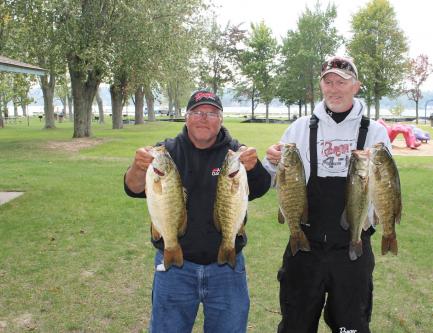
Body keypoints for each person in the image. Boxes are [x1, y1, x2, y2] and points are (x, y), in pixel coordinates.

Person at [124, 90, 271, 333]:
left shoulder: (235, 152)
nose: (204, 118)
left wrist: (253, 168)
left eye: (212, 113)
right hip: (175, 272)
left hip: (227, 270)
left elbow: (261, 187)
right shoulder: (166, 152)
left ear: (221, 119)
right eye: (197, 112)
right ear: (186, 117)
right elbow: (133, 188)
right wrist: (138, 168)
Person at [263, 55, 392, 333]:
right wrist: (271, 159)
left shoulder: (375, 132)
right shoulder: (299, 128)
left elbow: (385, 186)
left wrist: (378, 167)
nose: (334, 88)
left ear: (356, 86)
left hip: (352, 249)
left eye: (341, 82)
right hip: (305, 249)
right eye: (328, 82)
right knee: (295, 325)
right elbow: (273, 177)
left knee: (351, 326)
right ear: (321, 86)